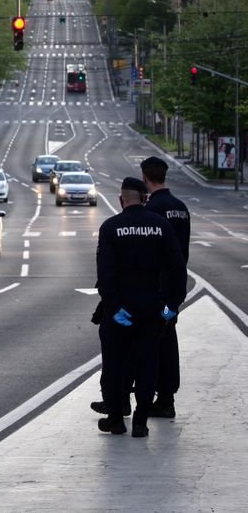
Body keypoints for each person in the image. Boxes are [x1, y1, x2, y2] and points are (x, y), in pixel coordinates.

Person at [95, 177, 186, 438]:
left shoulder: (111, 228)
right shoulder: (161, 226)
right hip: (151, 310)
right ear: (145, 199)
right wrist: (169, 309)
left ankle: (115, 420)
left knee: (114, 366)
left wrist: (113, 308)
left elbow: (105, 275)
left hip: (120, 313)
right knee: (148, 365)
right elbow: (178, 271)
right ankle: (141, 422)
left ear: (121, 199)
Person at [140, 156, 191, 418]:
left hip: (155, 290)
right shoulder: (181, 207)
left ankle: (156, 398)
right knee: (168, 338)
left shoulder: (152, 210)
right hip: (174, 290)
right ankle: (168, 396)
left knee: (152, 344)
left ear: (145, 178)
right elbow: (184, 251)